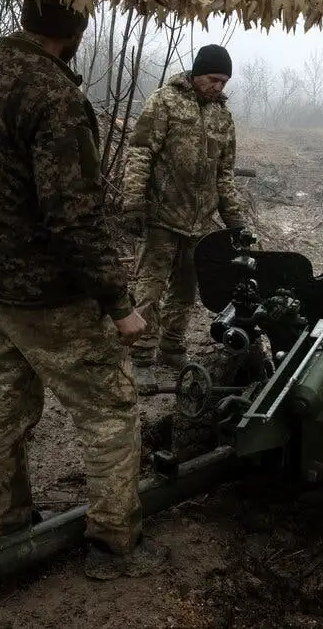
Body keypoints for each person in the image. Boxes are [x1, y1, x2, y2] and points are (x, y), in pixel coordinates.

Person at [0, 0, 167, 581]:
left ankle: (3, 526)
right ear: (75, 29)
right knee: (109, 408)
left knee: (3, 410)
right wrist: (119, 303)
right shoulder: (54, 96)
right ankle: (114, 537)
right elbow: (73, 217)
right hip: (53, 299)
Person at [119, 44, 246, 390]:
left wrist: (237, 221)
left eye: (224, 82)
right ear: (196, 72)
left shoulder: (223, 117)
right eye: (213, 79)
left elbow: (225, 174)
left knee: (186, 289)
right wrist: (132, 202)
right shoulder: (165, 101)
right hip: (163, 214)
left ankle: (172, 347)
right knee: (150, 287)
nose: (218, 87)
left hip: (201, 222)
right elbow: (141, 152)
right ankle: (141, 356)